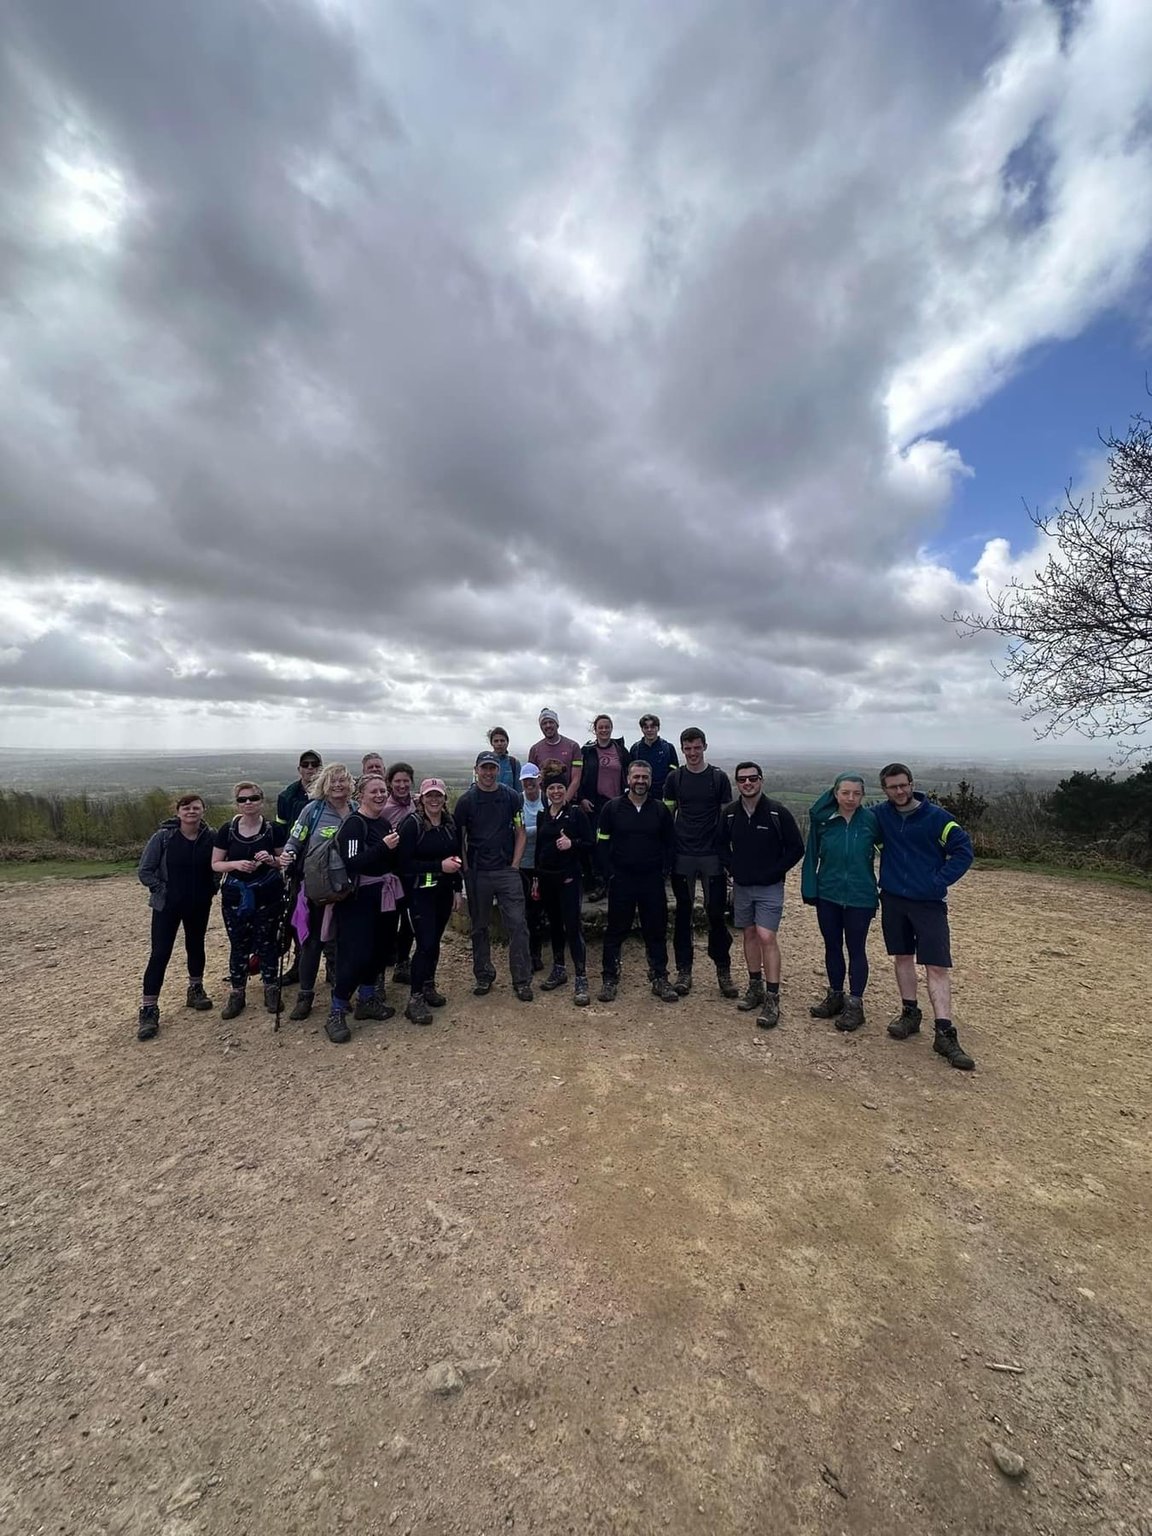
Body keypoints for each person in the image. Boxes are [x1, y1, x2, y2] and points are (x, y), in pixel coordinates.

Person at [874, 763, 976, 1071]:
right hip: (893, 898)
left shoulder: (938, 818)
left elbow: (964, 850)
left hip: (929, 903)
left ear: (912, 783)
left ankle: (944, 1031)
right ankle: (910, 1014)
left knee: (937, 965)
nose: (900, 791)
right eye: (893, 787)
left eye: (903, 785)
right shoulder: (879, 815)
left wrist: (938, 881)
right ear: (884, 789)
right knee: (902, 957)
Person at [717, 763, 804, 1029]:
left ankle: (772, 997)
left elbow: (796, 848)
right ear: (737, 783)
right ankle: (755, 986)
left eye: (752, 778)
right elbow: (720, 844)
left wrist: (774, 872)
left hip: (769, 887)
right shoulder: (730, 814)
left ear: (761, 780)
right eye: (742, 779)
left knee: (767, 936)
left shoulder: (778, 812)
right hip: (743, 886)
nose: (747, 783)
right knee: (749, 934)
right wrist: (733, 868)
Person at [800, 773, 880, 1032]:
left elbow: (890, 853)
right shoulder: (824, 821)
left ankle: (855, 1005)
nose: (850, 798)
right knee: (832, 946)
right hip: (829, 894)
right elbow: (811, 855)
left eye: (856, 793)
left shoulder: (872, 821)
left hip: (861, 897)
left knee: (856, 949)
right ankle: (835, 995)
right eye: (845, 792)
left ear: (863, 795)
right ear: (835, 793)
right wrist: (809, 888)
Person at [136, 793, 220, 1040]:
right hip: (167, 907)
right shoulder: (163, 837)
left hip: (199, 904)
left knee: (196, 946)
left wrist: (212, 888)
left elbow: (217, 865)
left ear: (203, 810)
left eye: (196, 807)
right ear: (178, 812)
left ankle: (195, 990)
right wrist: (163, 890)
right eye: (186, 807)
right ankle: (149, 1009)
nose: (191, 811)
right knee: (160, 953)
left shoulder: (210, 837)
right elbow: (145, 871)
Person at [326, 773, 403, 1043]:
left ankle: (367, 999)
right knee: (355, 954)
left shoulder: (382, 822)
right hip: (358, 900)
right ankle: (337, 1010)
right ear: (361, 795)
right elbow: (353, 862)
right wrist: (383, 846)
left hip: (384, 896)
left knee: (379, 950)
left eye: (383, 791)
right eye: (374, 791)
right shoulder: (354, 825)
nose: (380, 795)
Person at [596, 760, 679, 1004]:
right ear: (628, 779)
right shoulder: (612, 808)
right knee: (615, 930)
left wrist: (663, 872)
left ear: (651, 780)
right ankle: (610, 979)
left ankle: (660, 978)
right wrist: (609, 873)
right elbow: (602, 844)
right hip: (621, 879)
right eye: (636, 777)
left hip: (652, 880)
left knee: (656, 930)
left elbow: (670, 844)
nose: (640, 781)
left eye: (645, 777)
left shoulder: (660, 810)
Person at [662, 728, 736, 997]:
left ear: (705, 746)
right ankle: (684, 970)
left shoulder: (718, 778)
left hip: (711, 855)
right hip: (683, 854)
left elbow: (726, 819)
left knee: (716, 913)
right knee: (683, 914)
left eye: (696, 747)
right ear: (682, 749)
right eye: (687, 748)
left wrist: (728, 856)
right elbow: (667, 816)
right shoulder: (675, 778)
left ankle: (723, 970)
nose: (692, 753)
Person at [455, 750, 534, 1001]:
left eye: (492, 768)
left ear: (498, 770)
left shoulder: (511, 797)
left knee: (518, 925)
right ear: (476, 770)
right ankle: (483, 975)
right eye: (484, 768)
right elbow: (460, 839)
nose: (489, 773)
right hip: (478, 872)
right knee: (479, 927)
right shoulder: (466, 801)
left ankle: (521, 979)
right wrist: (467, 870)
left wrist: (515, 864)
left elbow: (520, 831)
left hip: (506, 871)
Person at [279, 762, 355, 1021]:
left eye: (342, 780)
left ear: (350, 784)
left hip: (347, 887)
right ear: (323, 784)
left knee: (342, 943)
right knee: (312, 943)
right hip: (317, 887)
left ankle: (340, 993)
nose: (338, 785)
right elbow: (295, 840)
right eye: (333, 781)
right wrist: (288, 855)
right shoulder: (312, 810)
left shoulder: (356, 809)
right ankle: (305, 996)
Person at [212, 783, 289, 1021]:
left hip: (268, 895)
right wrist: (236, 864)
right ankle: (237, 992)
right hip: (235, 896)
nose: (248, 803)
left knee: (268, 942)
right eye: (242, 799)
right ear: (237, 804)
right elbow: (215, 863)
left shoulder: (273, 830)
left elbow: (284, 860)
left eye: (253, 798)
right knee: (238, 945)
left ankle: (271, 988)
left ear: (261, 801)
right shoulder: (227, 830)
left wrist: (271, 859)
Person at [397, 778, 465, 1024]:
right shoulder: (411, 825)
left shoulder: (449, 823)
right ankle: (414, 999)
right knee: (425, 943)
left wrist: (456, 888)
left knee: (434, 942)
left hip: (443, 892)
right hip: (419, 894)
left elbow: (455, 858)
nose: (434, 800)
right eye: (429, 796)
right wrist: (438, 866)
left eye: (438, 795)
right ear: (421, 798)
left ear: (445, 799)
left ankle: (428, 985)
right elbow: (403, 864)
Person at [535, 773, 595, 1005]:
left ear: (566, 789)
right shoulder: (543, 815)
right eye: (551, 788)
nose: (556, 792)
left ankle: (581, 977)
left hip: (569, 879)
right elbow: (540, 848)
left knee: (572, 927)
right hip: (547, 879)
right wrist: (537, 877)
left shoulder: (576, 814)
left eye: (560, 787)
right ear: (546, 791)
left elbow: (590, 844)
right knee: (554, 926)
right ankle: (559, 969)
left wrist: (572, 843)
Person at [577, 714, 629, 899]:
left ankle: (617, 882)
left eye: (607, 727)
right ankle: (600, 883)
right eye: (601, 727)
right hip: (595, 804)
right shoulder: (587, 751)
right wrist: (581, 798)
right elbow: (579, 777)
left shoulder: (621, 750)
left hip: (618, 803)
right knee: (597, 844)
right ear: (595, 730)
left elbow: (629, 774)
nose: (604, 730)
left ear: (611, 728)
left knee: (618, 843)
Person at [382, 762, 417, 984]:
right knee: (388, 920)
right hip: (389, 873)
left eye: (406, 781)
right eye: (397, 781)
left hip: (410, 872)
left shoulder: (416, 804)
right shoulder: (383, 808)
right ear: (390, 783)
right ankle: (383, 965)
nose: (402, 785)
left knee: (408, 921)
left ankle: (403, 962)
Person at [517, 762, 547, 971]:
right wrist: (540, 829)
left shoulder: (548, 799)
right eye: (525, 780)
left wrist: (525, 831)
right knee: (525, 912)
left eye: (532, 779)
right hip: (522, 865)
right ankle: (526, 953)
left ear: (539, 780)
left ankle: (536, 954)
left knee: (538, 912)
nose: (529, 784)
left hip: (543, 865)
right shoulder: (517, 801)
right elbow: (512, 829)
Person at [527, 709, 582, 800]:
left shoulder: (573, 747)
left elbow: (576, 779)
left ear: (557, 724)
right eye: (544, 723)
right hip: (544, 802)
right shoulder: (535, 749)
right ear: (541, 727)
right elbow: (532, 778)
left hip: (569, 800)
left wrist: (564, 802)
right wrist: (545, 801)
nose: (548, 725)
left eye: (551, 722)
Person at [628, 714, 679, 797]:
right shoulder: (635, 749)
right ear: (642, 729)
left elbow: (674, 770)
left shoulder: (668, 748)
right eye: (646, 727)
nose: (649, 730)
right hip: (641, 793)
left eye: (652, 727)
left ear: (658, 728)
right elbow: (630, 772)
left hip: (662, 793)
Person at [276, 750, 322, 828]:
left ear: (321, 769)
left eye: (314, 764)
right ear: (299, 769)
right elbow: (280, 827)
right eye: (305, 764)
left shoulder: (331, 795)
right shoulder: (285, 797)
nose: (310, 767)